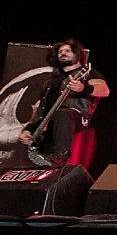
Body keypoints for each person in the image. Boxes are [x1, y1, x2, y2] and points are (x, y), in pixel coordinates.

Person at [18, 38, 110, 167]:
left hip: (76, 117)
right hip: (50, 125)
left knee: (63, 114)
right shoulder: (50, 82)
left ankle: (61, 154)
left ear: (78, 54)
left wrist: (84, 88)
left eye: (68, 50)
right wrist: (30, 129)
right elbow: (42, 109)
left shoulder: (87, 73)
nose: (63, 53)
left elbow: (104, 91)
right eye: (60, 51)